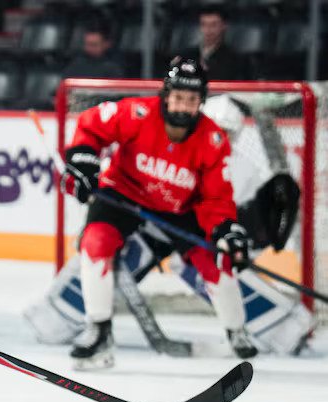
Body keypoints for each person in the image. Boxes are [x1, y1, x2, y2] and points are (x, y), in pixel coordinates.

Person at [59, 56, 258, 369]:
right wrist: (83, 159)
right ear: (166, 95)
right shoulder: (138, 113)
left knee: (217, 259)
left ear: (201, 102)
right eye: (178, 97)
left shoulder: (213, 140)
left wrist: (225, 230)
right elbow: (91, 124)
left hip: (179, 207)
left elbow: (216, 198)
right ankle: (98, 329)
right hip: (124, 193)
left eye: (191, 100)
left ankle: (236, 331)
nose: (182, 106)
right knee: (95, 244)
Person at [183, 6, 251, 81]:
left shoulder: (235, 60)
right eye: (204, 24)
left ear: (224, 26)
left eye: (213, 25)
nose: (208, 30)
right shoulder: (187, 55)